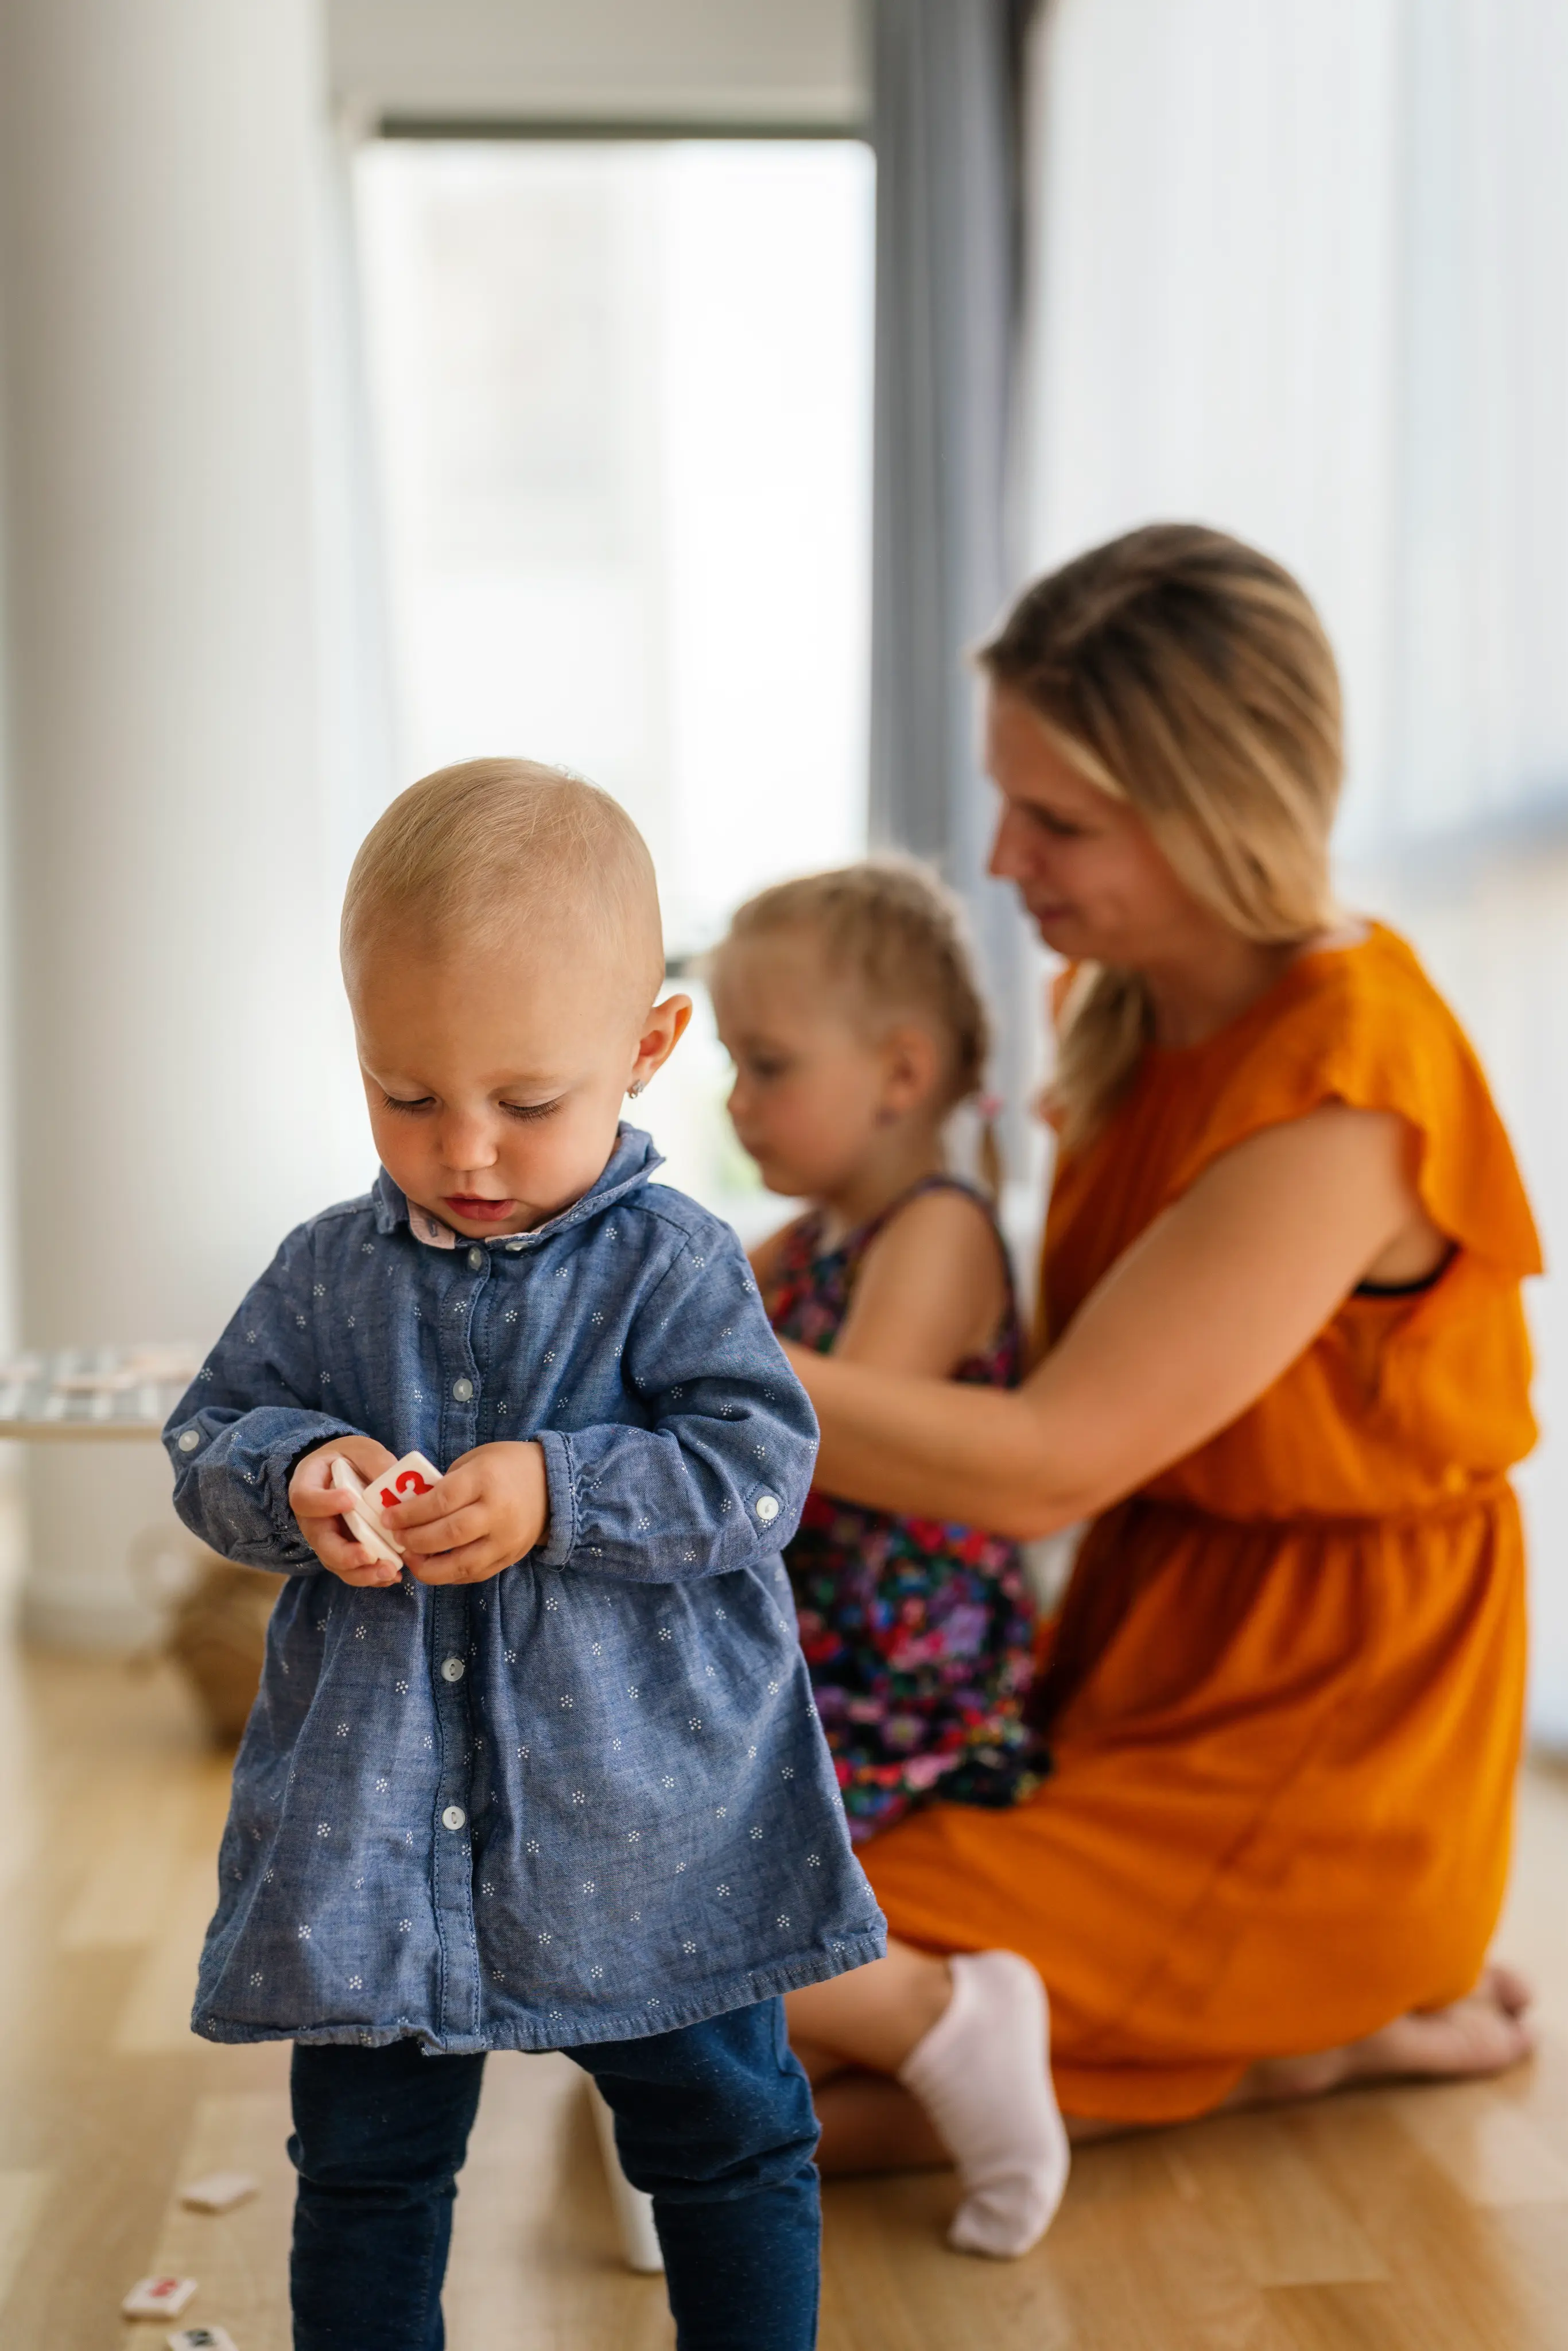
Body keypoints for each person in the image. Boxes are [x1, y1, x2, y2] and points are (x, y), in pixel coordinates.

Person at [775, 524, 1542, 2258]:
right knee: (703, 1992)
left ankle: (1302, 2035)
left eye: (1056, 820)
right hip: (1144, 1660)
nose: (998, 856)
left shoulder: (1348, 1085)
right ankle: (1265, 2039)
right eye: (1005, 800)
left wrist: (720, 1371)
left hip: (1330, 1726)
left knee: (730, 1953)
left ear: (1209, 804)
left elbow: (1047, 1465)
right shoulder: (1118, 1005)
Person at [163, 759, 886, 2351]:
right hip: (375, 1832)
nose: (465, 1149)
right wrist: (298, 1476)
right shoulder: (322, 1275)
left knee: (728, 2141)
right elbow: (206, 1442)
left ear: (646, 1050)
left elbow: (760, 1468)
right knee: (363, 2170)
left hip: (651, 1828)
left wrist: (562, 1492)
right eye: (405, 1095)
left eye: (525, 1101)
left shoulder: (676, 1265)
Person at [709, 860, 1046, 1851]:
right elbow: (690, 1301)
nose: (736, 1102)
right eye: (733, 1067)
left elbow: (833, 1444)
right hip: (814, 1645)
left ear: (902, 1074)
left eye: (767, 1066)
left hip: (904, 1676)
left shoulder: (937, 1229)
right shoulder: (816, 1235)